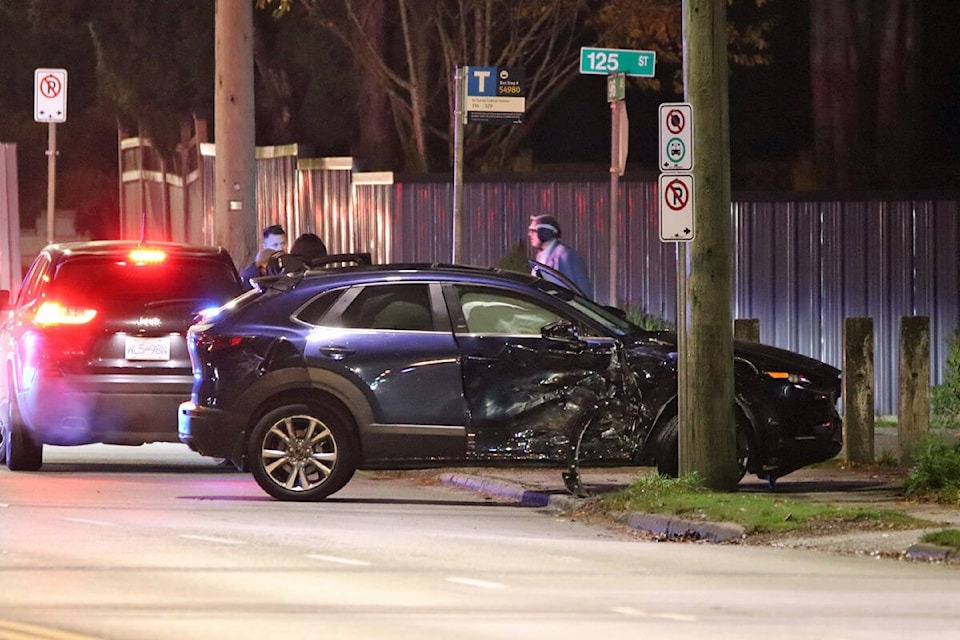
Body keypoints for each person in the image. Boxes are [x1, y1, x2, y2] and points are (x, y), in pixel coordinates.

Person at [527, 214, 592, 295]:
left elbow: (582, 291)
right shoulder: (540, 256)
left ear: (545, 231)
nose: (529, 234)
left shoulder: (566, 256)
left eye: (533, 231)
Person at [240, 224, 287, 289]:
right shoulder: (250, 275)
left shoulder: (291, 266)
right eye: (275, 245)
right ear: (264, 246)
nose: (280, 248)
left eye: (283, 243)